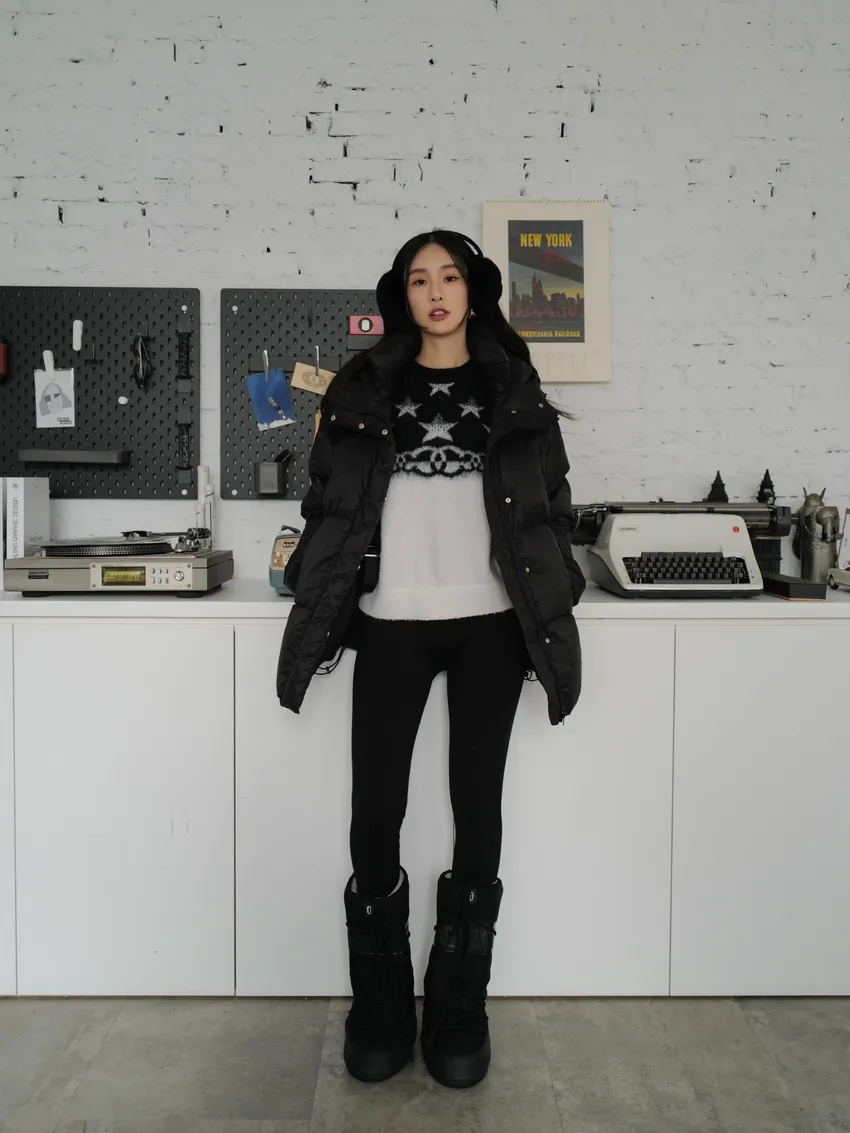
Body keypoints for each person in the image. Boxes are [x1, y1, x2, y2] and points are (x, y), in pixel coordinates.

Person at [276, 229, 585, 1090]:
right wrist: (316, 572)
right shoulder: (363, 387)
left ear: (474, 289)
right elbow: (327, 501)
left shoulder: (512, 386)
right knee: (376, 810)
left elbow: (553, 506)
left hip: (491, 625)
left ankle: (459, 1002)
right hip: (391, 624)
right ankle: (380, 1000)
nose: (437, 292)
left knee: (477, 809)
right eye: (420, 279)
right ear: (402, 295)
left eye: (450, 276)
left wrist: (559, 581)